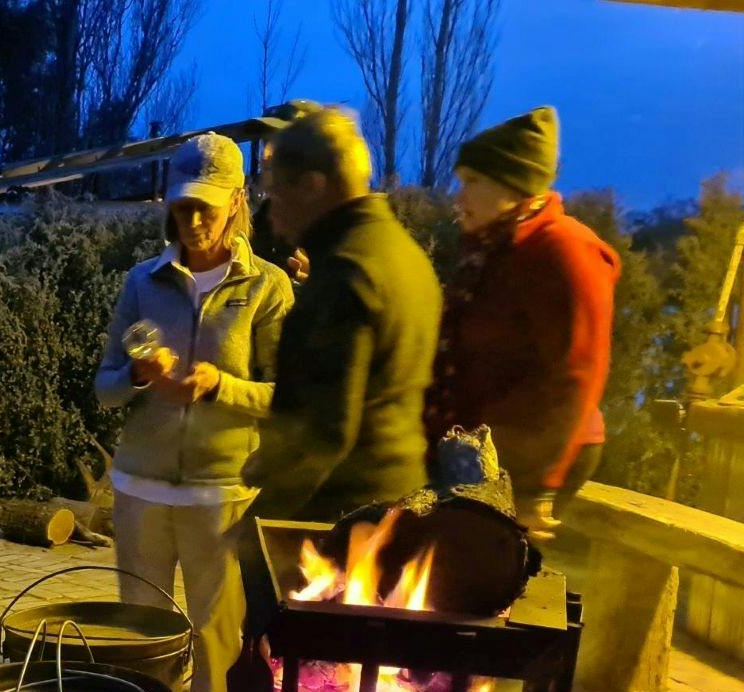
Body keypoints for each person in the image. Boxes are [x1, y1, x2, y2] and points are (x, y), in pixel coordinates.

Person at [94, 134, 293, 692]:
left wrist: (219, 386)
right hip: (140, 489)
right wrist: (136, 376)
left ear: (236, 201)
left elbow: (289, 397)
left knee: (218, 648)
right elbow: (103, 388)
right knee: (141, 644)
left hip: (222, 495)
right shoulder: (142, 282)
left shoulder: (267, 288)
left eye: (206, 205)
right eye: (182, 205)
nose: (193, 219)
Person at [241, 107, 442, 527]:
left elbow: (324, 435)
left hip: (341, 522)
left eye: (276, 194)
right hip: (400, 501)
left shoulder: (345, 275)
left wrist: (252, 526)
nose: (271, 215)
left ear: (313, 186)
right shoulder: (404, 254)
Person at [423, 107, 620, 533]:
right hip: (483, 449)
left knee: (481, 577)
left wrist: (538, 487)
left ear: (514, 185)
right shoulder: (492, 249)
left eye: (472, 182)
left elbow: (577, 372)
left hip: (532, 458)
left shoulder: (565, 250)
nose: (460, 197)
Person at [249, 99, 323, 281]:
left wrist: (321, 281)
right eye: (267, 145)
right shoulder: (260, 223)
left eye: (284, 149)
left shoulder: (343, 226)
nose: (269, 157)